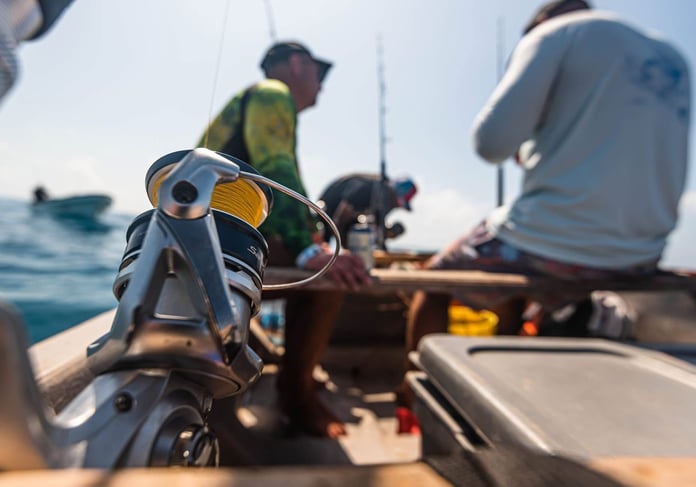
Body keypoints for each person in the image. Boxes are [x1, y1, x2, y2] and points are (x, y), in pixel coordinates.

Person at [397, 0, 691, 429]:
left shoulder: (553, 35)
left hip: (550, 241)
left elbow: (491, 143)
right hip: (642, 254)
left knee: (434, 280)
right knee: (513, 292)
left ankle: (418, 395)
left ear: (539, 23)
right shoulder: (672, 55)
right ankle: (496, 384)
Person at [198, 41, 372, 438]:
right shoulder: (273, 94)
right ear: (297, 65)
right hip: (220, 244)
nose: (321, 87)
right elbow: (276, 170)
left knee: (319, 265)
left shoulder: (252, 99)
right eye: (318, 74)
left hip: (202, 236)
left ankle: (294, 376)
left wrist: (305, 237)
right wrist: (309, 248)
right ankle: (296, 395)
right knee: (327, 279)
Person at [317, 173, 417, 248]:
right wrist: (349, 252)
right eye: (396, 203)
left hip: (338, 221)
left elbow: (378, 229)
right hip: (323, 216)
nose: (394, 207)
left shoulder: (382, 199)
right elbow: (338, 221)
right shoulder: (366, 190)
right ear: (392, 193)